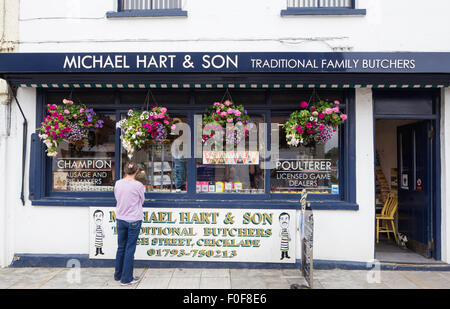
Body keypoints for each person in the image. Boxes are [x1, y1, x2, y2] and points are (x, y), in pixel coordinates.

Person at [113, 161, 145, 286]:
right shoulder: (138, 185)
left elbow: (117, 197)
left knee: (121, 247)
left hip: (121, 218)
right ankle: (126, 279)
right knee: (130, 249)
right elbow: (141, 200)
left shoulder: (118, 183)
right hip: (134, 219)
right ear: (136, 171)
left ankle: (118, 274)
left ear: (125, 171)